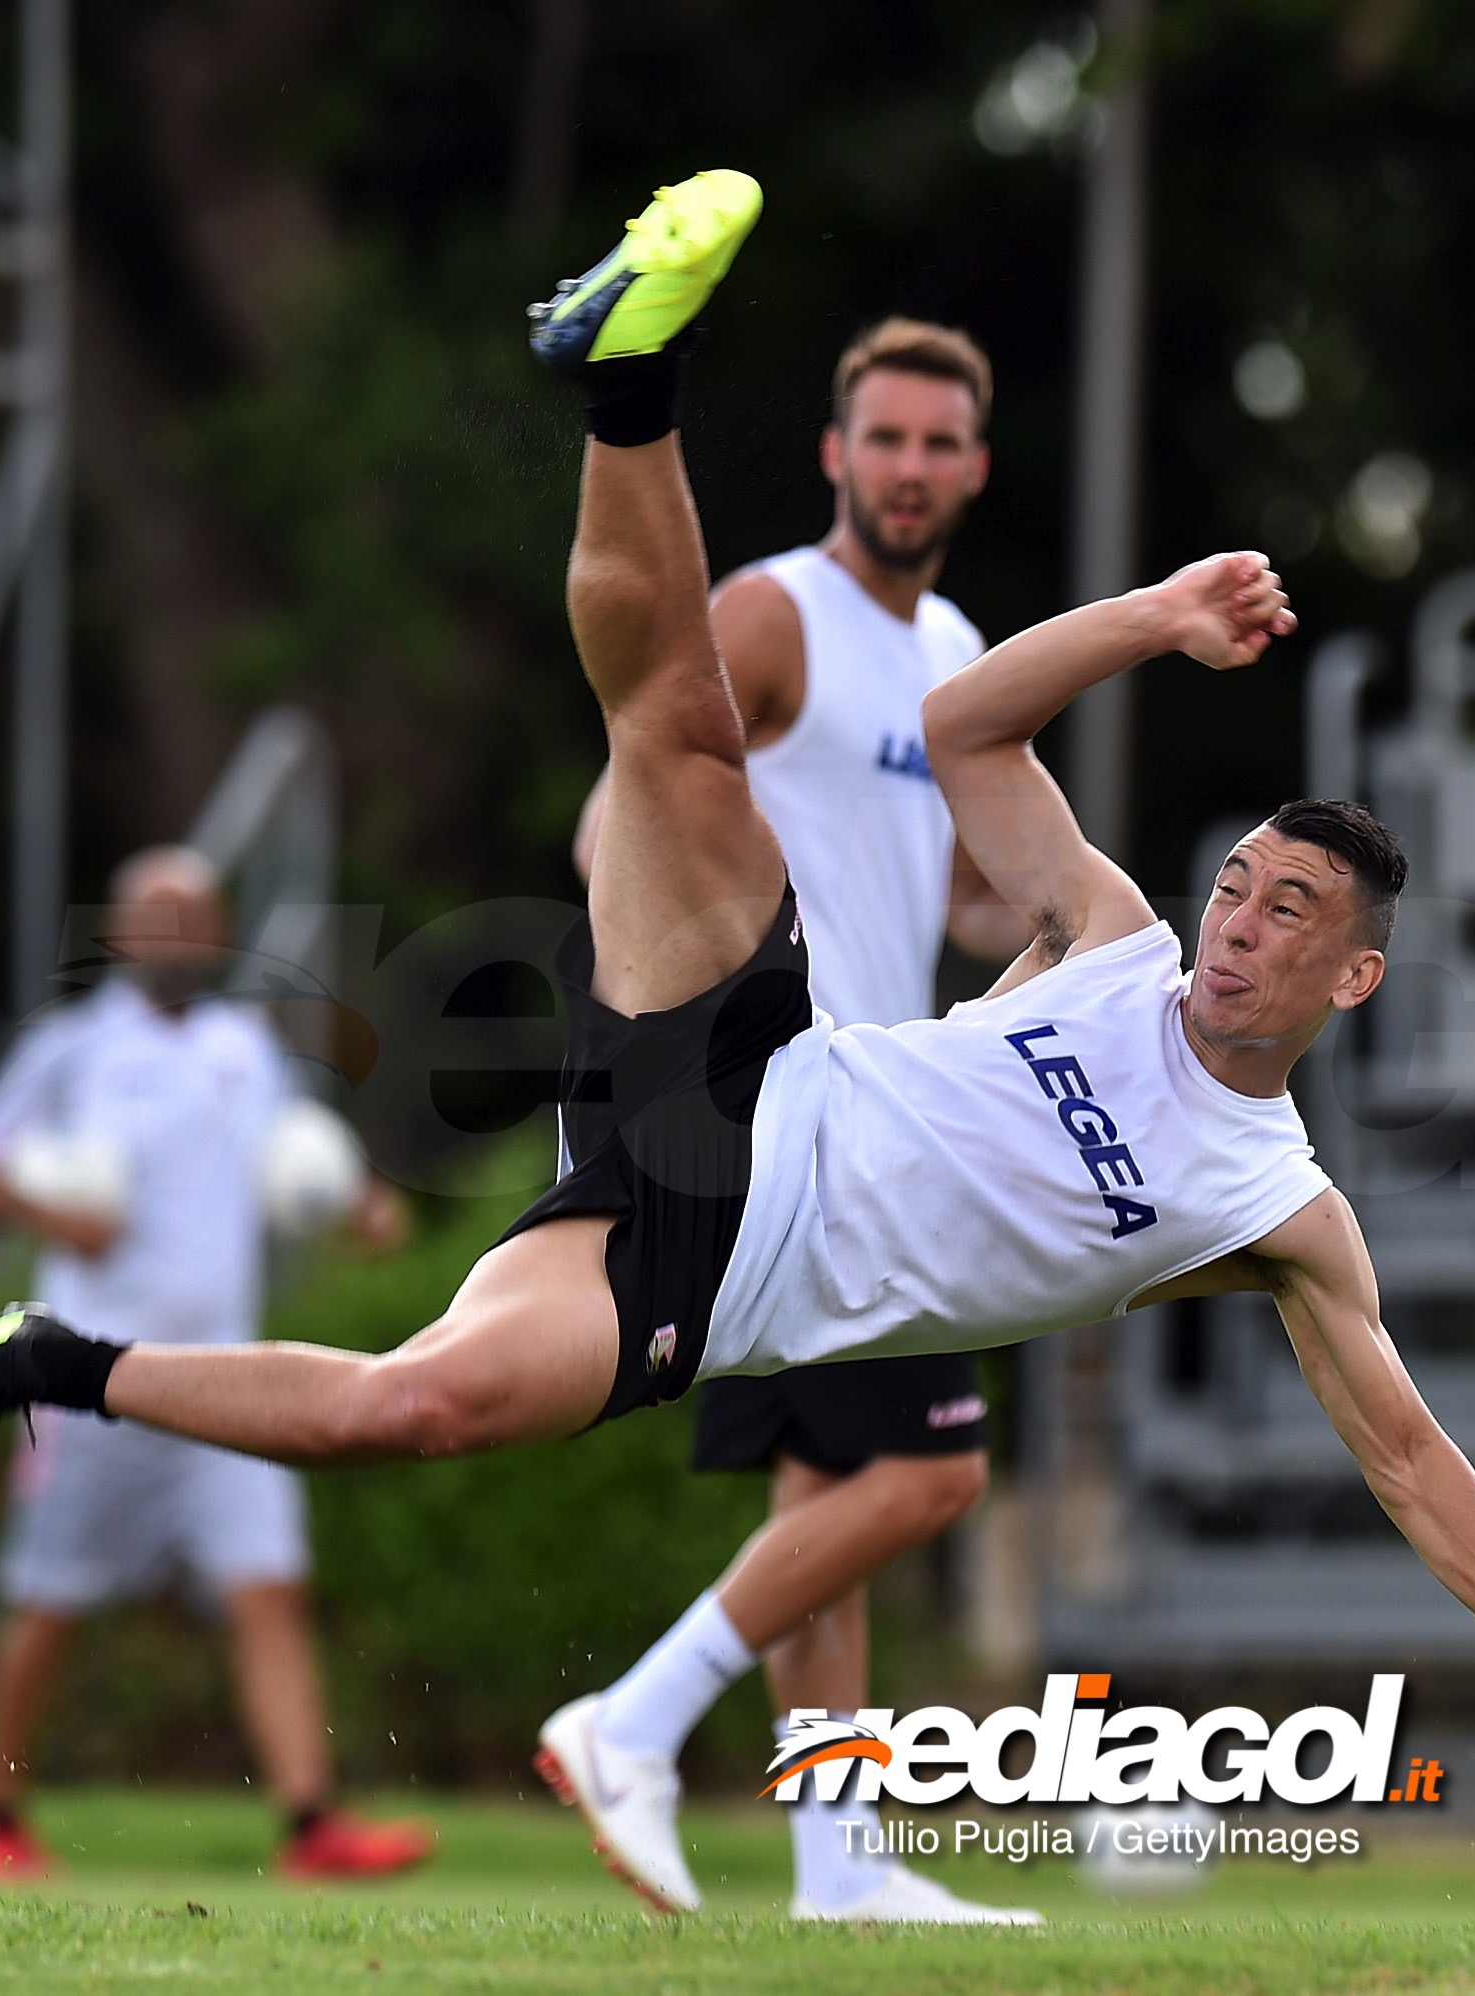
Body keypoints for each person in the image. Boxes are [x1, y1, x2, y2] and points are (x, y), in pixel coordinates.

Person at [0, 167, 1475, 1907]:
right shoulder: (1111, 936)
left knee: (400, 1409)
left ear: (1356, 983)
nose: (1237, 924)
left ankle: (41, 1359)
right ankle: (623, 373)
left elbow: (1407, 1454)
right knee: (672, 727)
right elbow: (973, 727)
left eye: (1289, 918)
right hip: (753, 1058)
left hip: (708, 1264)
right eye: (1239, 885)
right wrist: (1154, 617)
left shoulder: (1278, 1207)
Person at [556, 318, 1038, 1922]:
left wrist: (1075, 943)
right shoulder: (775, 615)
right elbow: (620, 802)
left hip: (874, 1108)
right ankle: (632, 1719)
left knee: (835, 1503)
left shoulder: (954, 641)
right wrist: (688, 988)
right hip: (791, 1110)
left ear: (975, 466)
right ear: (837, 455)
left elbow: (965, 893)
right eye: (883, 440)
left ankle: (842, 1863)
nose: (909, 468)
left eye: (938, 444)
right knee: (939, 1477)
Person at [0, 845, 437, 1882]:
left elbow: (291, 1161)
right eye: (159, 917)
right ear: (123, 936)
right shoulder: (73, 1049)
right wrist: (49, 1215)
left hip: (230, 1383)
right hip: (91, 1379)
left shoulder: (243, 1050)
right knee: (48, 1600)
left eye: (197, 917)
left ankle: (311, 1828)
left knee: (269, 1593)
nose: (181, 935)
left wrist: (358, 1202)